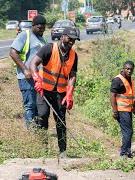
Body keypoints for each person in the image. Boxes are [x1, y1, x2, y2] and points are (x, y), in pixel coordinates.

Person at [29, 27, 79, 158]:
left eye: (74, 40)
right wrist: (37, 79)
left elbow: (72, 75)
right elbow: (33, 63)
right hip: (44, 90)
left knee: (61, 121)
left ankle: (63, 152)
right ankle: (43, 151)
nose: (71, 42)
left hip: (60, 93)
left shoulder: (74, 55)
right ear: (62, 36)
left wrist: (69, 93)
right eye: (69, 38)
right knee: (42, 115)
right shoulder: (49, 48)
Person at [9, 15, 48, 128]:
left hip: (39, 79)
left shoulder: (43, 39)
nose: (41, 30)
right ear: (33, 26)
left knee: (38, 105)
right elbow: (12, 52)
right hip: (26, 78)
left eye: (43, 28)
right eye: (39, 28)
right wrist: (25, 70)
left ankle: (37, 129)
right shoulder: (24, 35)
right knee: (30, 104)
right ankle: (31, 129)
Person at [110, 61, 135, 158]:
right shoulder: (117, 80)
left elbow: (130, 96)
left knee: (129, 132)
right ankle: (123, 154)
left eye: (131, 69)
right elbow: (112, 96)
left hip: (128, 110)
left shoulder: (131, 80)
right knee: (128, 132)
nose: (129, 71)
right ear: (123, 69)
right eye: (127, 69)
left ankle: (127, 152)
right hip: (121, 110)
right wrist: (115, 111)